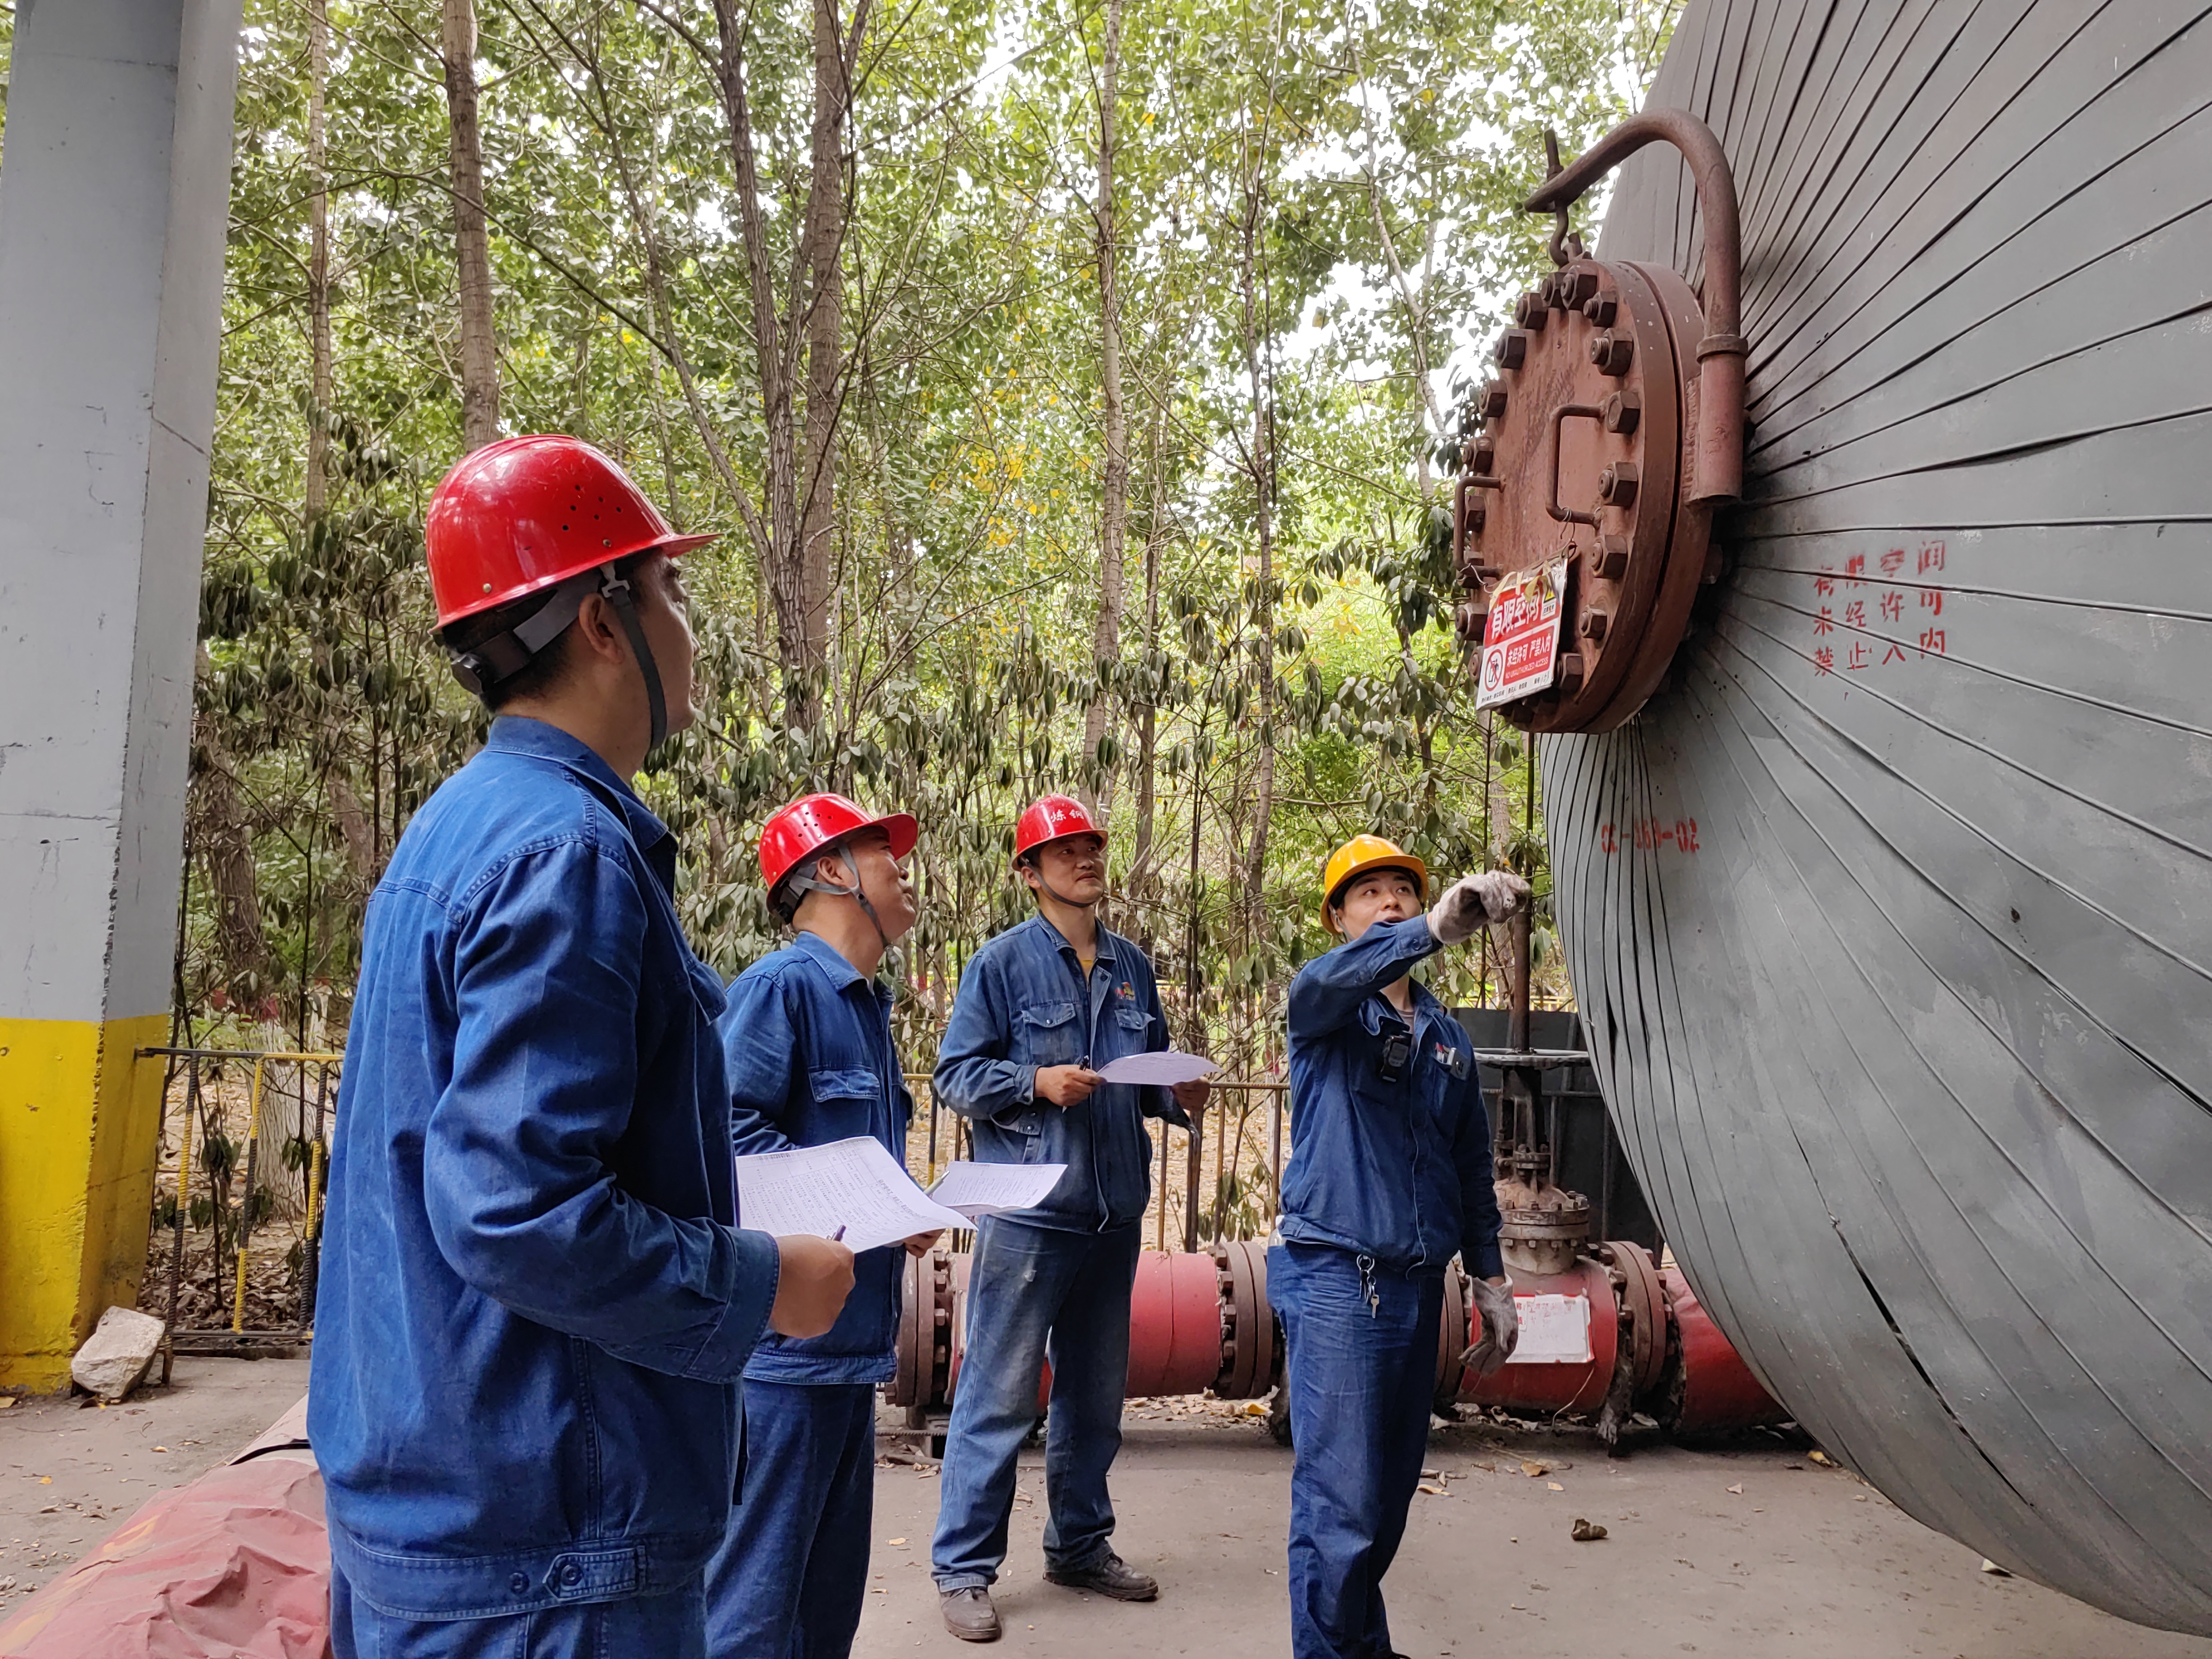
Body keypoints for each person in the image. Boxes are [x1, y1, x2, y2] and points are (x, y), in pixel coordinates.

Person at [308, 435, 855, 1659]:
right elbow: (513, 1211)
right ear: (602, 623)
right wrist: (764, 1284)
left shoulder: (457, 825)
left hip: (438, 1495)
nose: (687, 630)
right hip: (548, 1547)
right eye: (667, 592)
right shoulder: (569, 854)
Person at [928, 795, 1209, 1642]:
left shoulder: (1133, 966)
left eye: (1092, 844)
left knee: (1093, 1398)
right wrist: (1035, 1083)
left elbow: (1145, 1076)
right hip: (1030, 1218)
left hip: (1111, 1216)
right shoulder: (1001, 966)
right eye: (1064, 849)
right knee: (1001, 1394)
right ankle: (964, 1568)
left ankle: (1080, 1547)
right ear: (1029, 872)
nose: (1085, 857)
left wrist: (1178, 1095)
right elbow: (954, 1077)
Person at [1271, 834, 1529, 1659]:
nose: (1388, 902)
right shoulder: (1324, 1012)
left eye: (1404, 892)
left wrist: (1491, 1281)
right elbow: (1325, 983)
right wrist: (1432, 933)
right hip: (1338, 1280)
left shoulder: (1448, 1038)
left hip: (1418, 1289)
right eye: (1368, 893)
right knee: (1338, 1503)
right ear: (1339, 918)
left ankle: (1361, 1646)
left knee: (1383, 1502)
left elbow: (1468, 1167)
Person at [706, 792, 942, 1658]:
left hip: (847, 1356)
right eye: (885, 855)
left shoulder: (865, 1007)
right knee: (755, 1606)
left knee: (824, 1605)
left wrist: (897, 1209)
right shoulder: (781, 990)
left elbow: (840, 1157)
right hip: (781, 1363)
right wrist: (864, 1198)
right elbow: (728, 1140)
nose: (905, 872)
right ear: (833, 870)